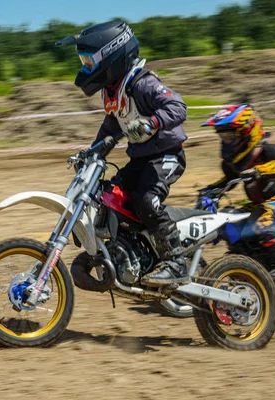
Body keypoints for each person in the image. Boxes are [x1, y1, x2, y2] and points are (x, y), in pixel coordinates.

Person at [56, 21, 189, 286]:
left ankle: (177, 263)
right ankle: (130, 252)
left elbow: (178, 106)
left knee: (146, 200)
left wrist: (153, 122)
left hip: (167, 156)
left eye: (89, 61)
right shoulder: (115, 90)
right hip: (141, 159)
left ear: (113, 54)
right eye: (83, 61)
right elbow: (111, 128)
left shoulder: (143, 84)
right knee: (108, 196)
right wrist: (92, 153)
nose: (86, 67)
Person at [202, 104, 275, 280]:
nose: (226, 140)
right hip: (256, 204)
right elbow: (228, 182)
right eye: (223, 136)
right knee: (228, 222)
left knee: (262, 225)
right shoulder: (233, 163)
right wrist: (210, 190)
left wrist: (259, 170)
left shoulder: (266, 150)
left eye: (230, 135)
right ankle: (246, 258)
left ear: (247, 131)